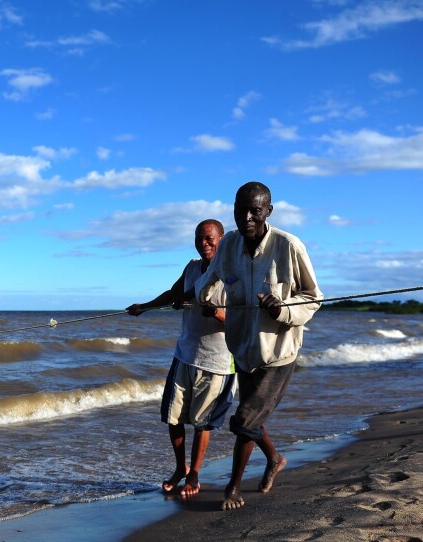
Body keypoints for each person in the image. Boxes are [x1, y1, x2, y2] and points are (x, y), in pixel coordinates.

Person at [195, 181, 323, 511]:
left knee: (243, 421)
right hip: (243, 348)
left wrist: (282, 308)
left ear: (268, 211)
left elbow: (313, 297)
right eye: (241, 210)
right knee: (252, 414)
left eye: (255, 210)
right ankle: (276, 458)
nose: (248, 217)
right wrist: (206, 300)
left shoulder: (289, 245)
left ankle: (233, 488)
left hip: (279, 352)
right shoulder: (229, 246)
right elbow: (208, 284)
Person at [126, 219, 236, 497]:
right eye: (199, 238)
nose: (204, 243)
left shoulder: (233, 273)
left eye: (210, 238)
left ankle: (195, 476)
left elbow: (243, 321)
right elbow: (175, 294)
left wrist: (217, 313)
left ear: (222, 239)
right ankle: (181, 469)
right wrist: (146, 307)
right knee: (173, 417)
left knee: (202, 422)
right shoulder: (191, 267)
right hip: (185, 354)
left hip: (218, 361)